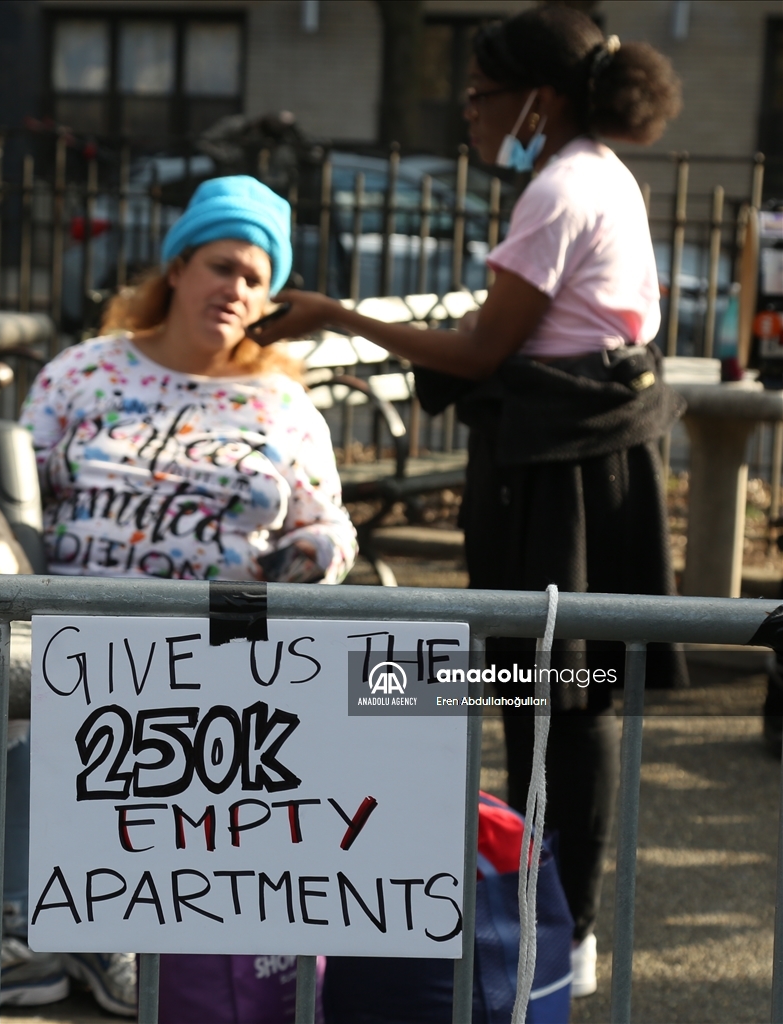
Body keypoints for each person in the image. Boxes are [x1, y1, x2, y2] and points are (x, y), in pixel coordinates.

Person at [249, 6, 684, 1007]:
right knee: (549, 692)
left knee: (555, 696)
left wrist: (336, 315)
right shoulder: (594, 178)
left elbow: (484, 351)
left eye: (481, 93)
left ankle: (561, 926)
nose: (468, 111)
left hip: (562, 471)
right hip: (580, 453)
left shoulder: (562, 188)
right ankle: (553, 916)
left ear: (541, 99)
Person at [0, 175, 357, 1017]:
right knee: (8, 700)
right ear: (177, 267)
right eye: (222, 265)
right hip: (72, 626)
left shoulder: (283, 405)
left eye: (255, 278)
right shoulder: (82, 374)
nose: (236, 289)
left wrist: (310, 557)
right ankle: (26, 937)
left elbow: (331, 531)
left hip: (220, 640)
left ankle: (121, 933)